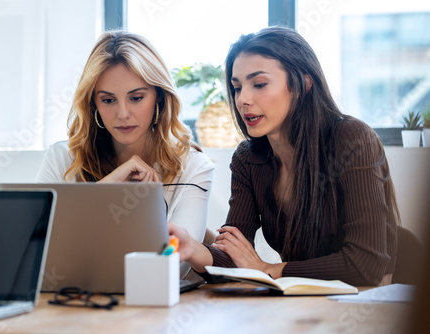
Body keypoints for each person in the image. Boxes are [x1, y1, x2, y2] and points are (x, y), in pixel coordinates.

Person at [169, 26, 399, 286]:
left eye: (259, 84)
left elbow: (365, 264)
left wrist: (270, 269)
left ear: (302, 84)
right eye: (236, 87)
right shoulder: (248, 159)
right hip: (301, 302)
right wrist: (192, 248)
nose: (242, 99)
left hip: (369, 303)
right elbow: (236, 258)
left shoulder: (351, 138)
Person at [36, 30, 215, 278]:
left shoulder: (194, 167)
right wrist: (106, 188)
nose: (123, 114)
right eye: (108, 100)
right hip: (71, 303)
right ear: (93, 104)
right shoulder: (63, 158)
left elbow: (175, 265)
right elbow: (34, 250)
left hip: (153, 309)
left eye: (136, 98)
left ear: (159, 98)